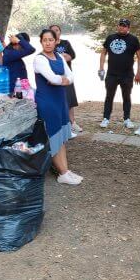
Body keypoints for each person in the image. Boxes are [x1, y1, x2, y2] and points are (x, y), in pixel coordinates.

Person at [34, 29, 82, 185]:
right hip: (48, 102)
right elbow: (51, 78)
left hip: (60, 100)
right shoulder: (39, 59)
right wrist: (62, 79)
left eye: (50, 40)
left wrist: (63, 80)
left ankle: (65, 170)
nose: (48, 43)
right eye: (45, 40)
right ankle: (61, 172)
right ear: (41, 42)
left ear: (56, 41)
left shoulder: (60, 57)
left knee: (61, 137)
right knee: (54, 136)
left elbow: (71, 76)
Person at [98, 18, 140, 129]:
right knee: (109, 96)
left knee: (126, 96)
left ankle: (127, 119)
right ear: (117, 26)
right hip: (111, 74)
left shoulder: (133, 39)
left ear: (128, 27)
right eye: (120, 25)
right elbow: (103, 53)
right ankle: (106, 118)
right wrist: (101, 68)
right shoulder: (110, 38)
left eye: (124, 25)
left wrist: (138, 72)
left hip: (127, 74)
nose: (122, 27)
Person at [50, 24, 82, 133]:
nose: (55, 32)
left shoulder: (66, 43)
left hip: (67, 75)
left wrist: (63, 57)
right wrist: (62, 57)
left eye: (57, 30)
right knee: (58, 100)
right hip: (55, 76)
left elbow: (71, 55)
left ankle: (72, 122)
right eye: (52, 31)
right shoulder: (49, 44)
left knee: (70, 100)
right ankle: (61, 125)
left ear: (60, 32)